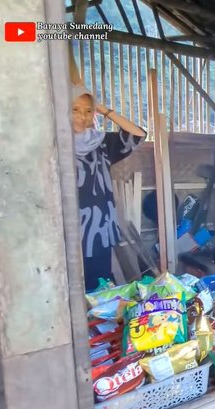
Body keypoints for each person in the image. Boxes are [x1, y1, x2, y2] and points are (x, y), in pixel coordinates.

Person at [72, 84, 146, 292]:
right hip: (68, 233)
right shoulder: (54, 144)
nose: (82, 116)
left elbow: (138, 134)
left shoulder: (101, 143)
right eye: (75, 109)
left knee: (98, 290)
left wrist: (104, 109)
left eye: (88, 111)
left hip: (99, 231)